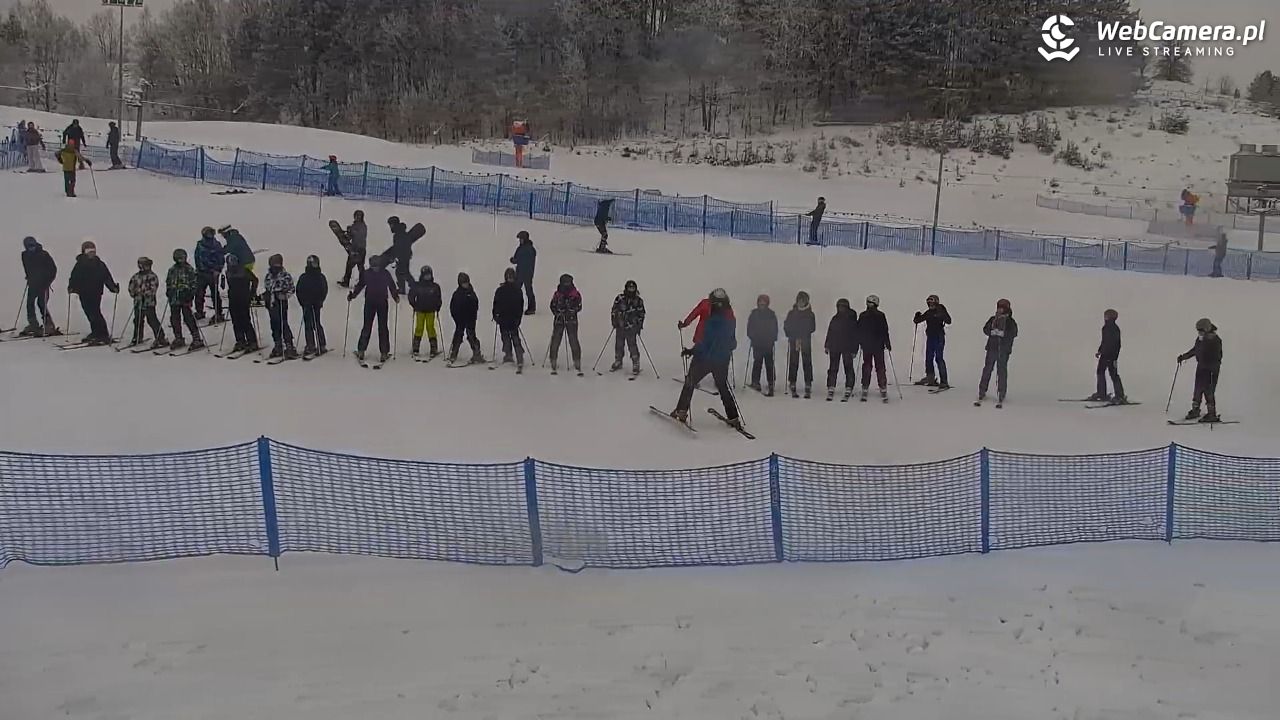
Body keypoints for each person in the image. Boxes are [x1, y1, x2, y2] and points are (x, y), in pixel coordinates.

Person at [671, 288, 740, 428]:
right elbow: (732, 341)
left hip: (705, 359)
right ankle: (733, 417)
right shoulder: (730, 318)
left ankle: (681, 411)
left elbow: (706, 342)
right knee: (722, 386)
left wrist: (692, 351)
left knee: (690, 381)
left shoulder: (712, 321)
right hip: (722, 359)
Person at [349, 254, 399, 364]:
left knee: (382, 327)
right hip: (370, 303)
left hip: (382, 303)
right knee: (367, 326)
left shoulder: (385, 274)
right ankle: (361, 350)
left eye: (376, 265)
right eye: (373, 265)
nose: (375, 267)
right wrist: (353, 295)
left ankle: (384, 352)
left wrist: (395, 296)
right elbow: (360, 285)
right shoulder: (367, 274)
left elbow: (392, 286)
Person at [67, 240, 119, 345]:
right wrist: (72, 287)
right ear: (84, 252)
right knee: (89, 313)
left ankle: (103, 334)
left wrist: (112, 287)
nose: (91, 253)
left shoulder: (99, 264)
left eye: (93, 251)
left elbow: (106, 277)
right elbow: (74, 277)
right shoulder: (80, 264)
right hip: (83, 293)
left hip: (95, 293)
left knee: (95, 312)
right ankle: (96, 332)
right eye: (88, 251)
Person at [1177, 318, 1223, 423]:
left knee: (1209, 390)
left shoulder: (1215, 340)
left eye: (1201, 330)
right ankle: (1195, 409)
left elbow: (1218, 356)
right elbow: (1195, 350)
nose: (1199, 332)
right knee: (1197, 389)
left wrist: (1210, 363)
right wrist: (1184, 357)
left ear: (1206, 329)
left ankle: (1212, 413)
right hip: (1201, 367)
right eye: (1198, 330)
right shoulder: (1200, 339)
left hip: (1211, 369)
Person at [977, 298, 1019, 406]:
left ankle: (1001, 392)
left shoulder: (1010, 321)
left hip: (1003, 350)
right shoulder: (993, 319)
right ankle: (982, 390)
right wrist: (992, 332)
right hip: (992, 348)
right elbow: (985, 329)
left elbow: (1014, 333)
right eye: (999, 307)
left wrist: (1003, 335)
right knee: (987, 369)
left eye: (1002, 307)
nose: (1000, 309)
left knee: (1001, 371)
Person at [19, 236, 58, 337]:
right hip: (33, 284)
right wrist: (29, 276)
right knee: (29, 304)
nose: (31, 248)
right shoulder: (24, 255)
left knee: (42, 304)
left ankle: (49, 324)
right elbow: (27, 267)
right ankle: (33, 324)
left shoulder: (44, 255)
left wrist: (48, 281)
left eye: (32, 245)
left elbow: (53, 269)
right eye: (29, 246)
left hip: (44, 284)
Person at [165, 248, 203, 350]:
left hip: (185, 298)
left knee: (188, 317)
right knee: (174, 318)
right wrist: (169, 291)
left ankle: (196, 338)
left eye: (182, 258)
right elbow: (168, 281)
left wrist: (190, 294)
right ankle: (178, 337)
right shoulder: (172, 270)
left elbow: (195, 283)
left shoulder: (189, 269)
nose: (180, 260)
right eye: (178, 258)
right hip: (174, 298)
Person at [262, 253, 297, 359]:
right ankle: (278, 344)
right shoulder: (268, 276)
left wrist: (285, 295)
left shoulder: (285, 276)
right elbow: (267, 288)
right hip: (271, 303)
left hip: (281, 302)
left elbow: (291, 289)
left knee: (283, 323)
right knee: (274, 324)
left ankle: (289, 345)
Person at [126, 257, 167, 349]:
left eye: (146, 265)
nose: (144, 267)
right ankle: (137, 337)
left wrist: (145, 294)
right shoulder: (136, 276)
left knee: (152, 320)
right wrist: (134, 293)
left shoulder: (152, 276)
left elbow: (153, 288)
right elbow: (131, 287)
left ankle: (160, 337)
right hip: (138, 302)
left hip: (149, 303)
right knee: (138, 320)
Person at [912, 294, 951, 389]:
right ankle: (930, 378)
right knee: (929, 358)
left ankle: (944, 381)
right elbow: (917, 320)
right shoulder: (929, 312)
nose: (930, 305)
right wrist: (917, 316)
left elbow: (949, 321)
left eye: (931, 303)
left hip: (939, 337)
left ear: (936, 302)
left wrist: (941, 314)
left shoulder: (941, 309)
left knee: (938, 358)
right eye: (928, 303)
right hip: (931, 337)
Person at [824, 298, 859, 400]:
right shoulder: (835, 318)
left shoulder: (851, 320)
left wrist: (855, 349)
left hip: (847, 347)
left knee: (848, 367)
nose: (841, 309)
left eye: (843, 307)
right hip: (835, 346)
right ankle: (831, 386)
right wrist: (827, 344)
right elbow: (830, 332)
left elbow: (855, 336)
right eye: (839, 307)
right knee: (833, 368)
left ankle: (849, 386)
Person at [223, 254, 259, 353]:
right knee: (235, 320)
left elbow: (255, 280)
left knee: (245, 319)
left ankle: (252, 341)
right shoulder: (228, 272)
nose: (232, 265)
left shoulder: (244, 271)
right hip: (233, 298)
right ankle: (240, 340)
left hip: (243, 298)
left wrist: (252, 293)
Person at [447, 271, 485, 365]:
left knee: (471, 336)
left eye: (467, 282)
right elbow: (453, 307)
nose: (466, 284)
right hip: (460, 320)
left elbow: (476, 305)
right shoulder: (457, 294)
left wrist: (473, 316)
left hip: (470, 319)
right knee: (458, 336)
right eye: (464, 283)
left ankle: (477, 353)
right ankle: (453, 353)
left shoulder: (471, 293)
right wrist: (456, 318)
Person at [784, 290, 816, 398]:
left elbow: (812, 327)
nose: (800, 302)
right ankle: (792, 381)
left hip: (805, 339)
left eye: (803, 300)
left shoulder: (810, 314)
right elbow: (787, 325)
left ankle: (808, 383)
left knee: (807, 362)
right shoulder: (792, 313)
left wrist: (803, 332)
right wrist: (789, 333)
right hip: (794, 340)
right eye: (799, 300)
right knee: (794, 361)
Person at [1089, 309, 1126, 404]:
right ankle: (1102, 393)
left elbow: (1115, 344)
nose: (1104, 317)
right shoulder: (1106, 328)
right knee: (1101, 372)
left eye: (1106, 315)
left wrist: (1113, 355)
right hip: (1106, 355)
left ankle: (1119, 396)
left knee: (1113, 375)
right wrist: (1100, 351)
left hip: (1110, 355)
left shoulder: (1113, 328)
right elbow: (1104, 342)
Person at [548, 273, 583, 374]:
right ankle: (553, 359)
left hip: (571, 319)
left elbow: (579, 306)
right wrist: (557, 311)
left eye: (568, 282)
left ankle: (577, 360)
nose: (567, 284)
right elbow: (552, 305)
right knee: (555, 339)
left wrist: (571, 310)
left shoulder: (575, 294)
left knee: (573, 340)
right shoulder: (557, 294)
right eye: (565, 282)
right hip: (559, 319)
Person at [493, 267, 526, 371]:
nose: (510, 279)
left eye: (512, 277)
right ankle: (508, 354)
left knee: (515, 338)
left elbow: (520, 306)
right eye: (508, 277)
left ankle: (519, 356)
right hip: (503, 318)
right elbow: (496, 304)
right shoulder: (500, 290)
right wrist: (495, 315)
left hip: (513, 319)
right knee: (505, 338)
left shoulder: (517, 290)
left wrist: (518, 318)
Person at [858, 294, 890, 401]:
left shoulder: (863, 315)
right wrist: (887, 342)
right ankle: (882, 387)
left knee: (867, 366)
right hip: (877, 345)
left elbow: (859, 330)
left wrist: (859, 342)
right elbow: (885, 330)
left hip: (869, 345)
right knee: (879, 367)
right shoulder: (880, 315)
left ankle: (866, 387)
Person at [610, 279, 646, 374]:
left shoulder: (638, 301)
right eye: (629, 288)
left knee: (632, 345)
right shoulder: (620, 298)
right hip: (620, 326)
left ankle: (635, 362)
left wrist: (639, 326)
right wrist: (614, 322)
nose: (631, 290)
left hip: (631, 327)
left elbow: (641, 314)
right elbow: (614, 311)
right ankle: (618, 360)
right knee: (619, 344)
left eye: (633, 288)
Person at [295, 254, 328, 357]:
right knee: (308, 324)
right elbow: (299, 290)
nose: (313, 265)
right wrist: (302, 302)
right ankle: (310, 344)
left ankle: (321, 344)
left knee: (316, 323)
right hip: (306, 304)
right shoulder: (304, 277)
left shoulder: (320, 277)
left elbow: (324, 290)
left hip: (316, 304)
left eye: (315, 263)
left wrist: (320, 300)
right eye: (312, 264)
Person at [407, 265, 442, 358]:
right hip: (420, 310)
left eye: (429, 275)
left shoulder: (435, 286)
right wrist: (414, 304)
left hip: (431, 311)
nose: (427, 277)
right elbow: (411, 295)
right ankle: (415, 348)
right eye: (426, 275)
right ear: (422, 275)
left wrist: (438, 306)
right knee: (419, 328)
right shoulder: (417, 285)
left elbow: (438, 298)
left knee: (430, 328)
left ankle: (433, 348)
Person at [746, 294, 778, 396]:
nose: (762, 304)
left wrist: (773, 337)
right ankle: (755, 381)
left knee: (769, 363)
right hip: (757, 342)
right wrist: (751, 336)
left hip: (768, 342)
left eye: (764, 302)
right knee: (757, 362)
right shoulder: (754, 314)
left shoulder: (771, 314)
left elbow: (774, 328)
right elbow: (750, 327)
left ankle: (771, 382)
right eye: (760, 302)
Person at [193, 226, 226, 323]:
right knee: (199, 293)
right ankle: (199, 312)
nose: (210, 235)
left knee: (215, 294)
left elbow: (221, 258)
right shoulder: (200, 245)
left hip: (213, 273)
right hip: (201, 273)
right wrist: (198, 269)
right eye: (208, 233)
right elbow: (197, 258)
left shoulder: (216, 245)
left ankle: (219, 313)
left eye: (211, 233)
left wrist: (218, 270)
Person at [218, 225, 258, 300]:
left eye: (222, 234)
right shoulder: (235, 236)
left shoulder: (233, 238)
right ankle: (249, 294)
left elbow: (229, 248)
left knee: (245, 278)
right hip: (247, 260)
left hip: (246, 262)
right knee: (248, 278)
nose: (222, 236)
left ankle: (250, 295)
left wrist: (219, 251)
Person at [338, 209, 367, 288]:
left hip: (360, 249)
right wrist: (346, 234)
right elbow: (351, 236)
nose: (357, 218)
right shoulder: (354, 225)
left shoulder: (363, 226)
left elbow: (359, 235)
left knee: (360, 266)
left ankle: (361, 282)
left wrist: (351, 231)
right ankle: (347, 281)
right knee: (349, 265)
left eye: (359, 216)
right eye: (356, 216)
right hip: (354, 249)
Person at [511, 230, 537, 315]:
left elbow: (525, 261)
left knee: (528, 290)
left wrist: (515, 260)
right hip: (520, 273)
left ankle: (531, 308)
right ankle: (515, 306)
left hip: (527, 273)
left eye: (521, 239)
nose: (520, 240)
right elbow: (517, 259)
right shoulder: (521, 248)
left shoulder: (529, 249)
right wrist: (514, 260)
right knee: (516, 290)